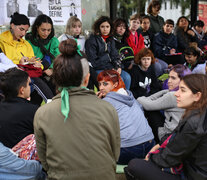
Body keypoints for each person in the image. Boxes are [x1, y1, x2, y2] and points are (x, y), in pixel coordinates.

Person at [34, 39, 120, 180]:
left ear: (56, 78)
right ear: (87, 79)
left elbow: (45, 162)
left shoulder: (42, 113)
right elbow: (115, 153)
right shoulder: (107, 108)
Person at [125, 74, 207, 180]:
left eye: (183, 90)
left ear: (197, 96)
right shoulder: (198, 113)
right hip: (196, 169)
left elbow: (171, 157)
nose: (176, 94)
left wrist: (151, 158)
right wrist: (160, 144)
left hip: (194, 174)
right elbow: (176, 134)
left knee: (134, 165)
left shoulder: (194, 122)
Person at [97, 70, 154, 165]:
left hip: (128, 150)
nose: (101, 87)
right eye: (99, 84)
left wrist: (96, 101)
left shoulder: (106, 102)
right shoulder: (129, 95)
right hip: (150, 144)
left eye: (105, 84)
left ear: (115, 84)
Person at [137, 64, 191, 142]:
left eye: (173, 78)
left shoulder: (173, 95)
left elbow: (147, 105)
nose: (168, 81)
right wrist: (166, 91)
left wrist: (139, 98)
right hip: (182, 134)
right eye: (169, 77)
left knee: (150, 111)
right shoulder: (189, 92)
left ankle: (148, 141)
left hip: (169, 136)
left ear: (183, 80)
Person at [85, 16, 131, 89]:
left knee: (127, 77)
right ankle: (112, 99)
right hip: (98, 69)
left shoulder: (110, 39)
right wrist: (110, 68)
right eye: (102, 26)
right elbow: (93, 61)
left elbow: (115, 55)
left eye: (107, 26)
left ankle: (125, 98)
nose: (105, 29)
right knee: (117, 80)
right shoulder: (92, 39)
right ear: (98, 27)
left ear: (110, 28)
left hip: (110, 67)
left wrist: (118, 67)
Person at [0, 68, 38, 148]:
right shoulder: (32, 110)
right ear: (22, 90)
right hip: (24, 158)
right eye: (28, 84)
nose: (29, 87)